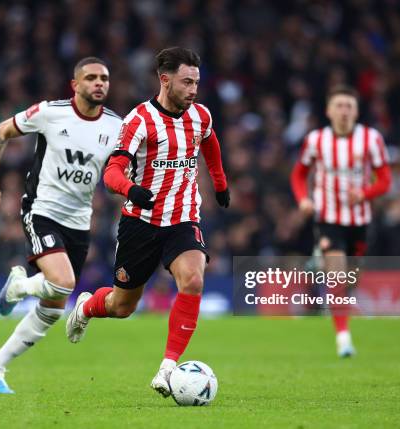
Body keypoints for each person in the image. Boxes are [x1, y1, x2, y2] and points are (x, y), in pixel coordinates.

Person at [65, 47, 230, 398]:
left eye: (196, 82)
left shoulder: (200, 116)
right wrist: (131, 189)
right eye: (186, 82)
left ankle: (167, 368)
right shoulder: (139, 120)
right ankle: (87, 306)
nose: (193, 90)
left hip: (183, 218)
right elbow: (111, 172)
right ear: (165, 79)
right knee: (122, 307)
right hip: (141, 222)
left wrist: (220, 182)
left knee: (194, 279)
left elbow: (211, 144)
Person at [0, 57, 122, 393]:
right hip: (42, 210)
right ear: (76, 85)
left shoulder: (117, 126)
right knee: (65, 282)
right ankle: (20, 287)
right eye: (91, 78)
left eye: (104, 78)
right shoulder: (51, 112)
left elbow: (123, 169)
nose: (99, 83)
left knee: (54, 307)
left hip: (80, 222)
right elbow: (2, 131)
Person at [290, 85, 391, 357]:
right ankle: (343, 339)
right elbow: (299, 174)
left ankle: (319, 266)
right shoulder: (316, 140)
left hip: (359, 220)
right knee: (337, 274)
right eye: (339, 106)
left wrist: (365, 193)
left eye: (349, 106)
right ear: (328, 111)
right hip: (327, 217)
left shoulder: (371, 139)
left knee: (351, 279)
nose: (344, 111)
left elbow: (385, 180)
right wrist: (303, 199)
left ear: (356, 111)